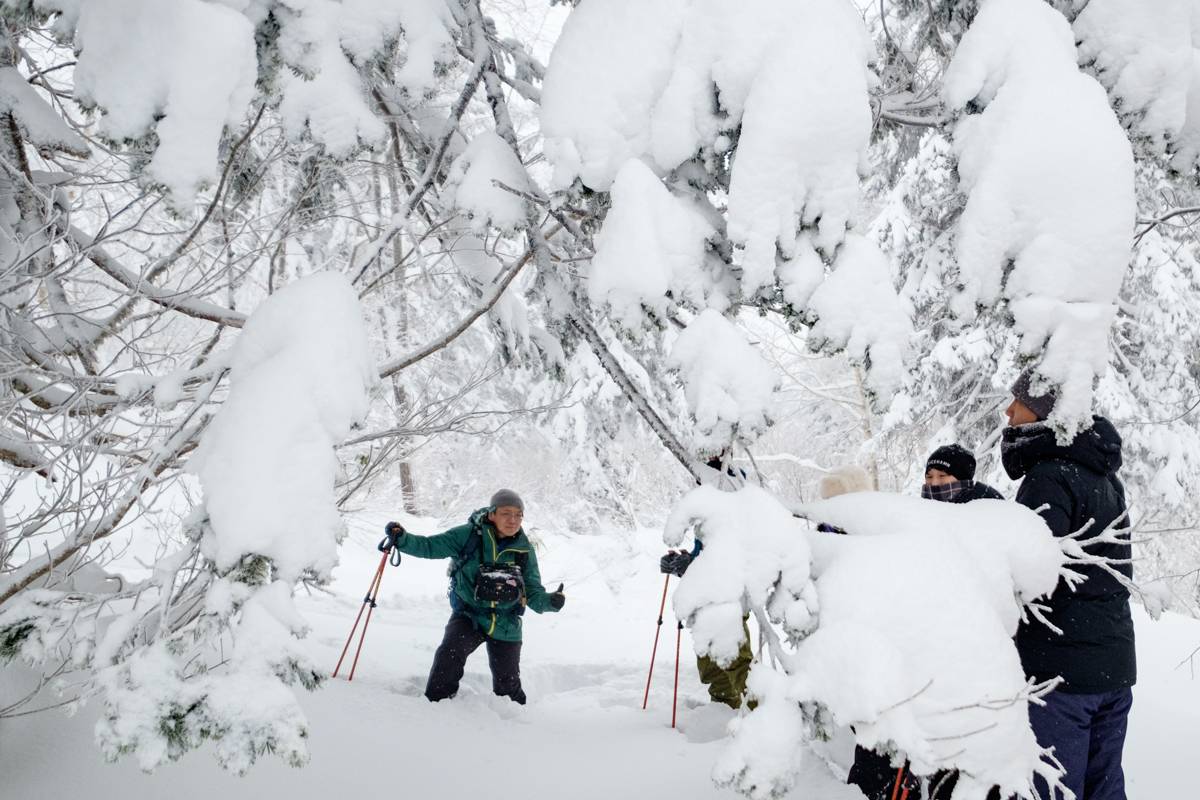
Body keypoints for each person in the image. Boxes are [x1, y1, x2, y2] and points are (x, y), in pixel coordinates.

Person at [1001, 369, 1135, 800]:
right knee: (1104, 788)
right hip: (1111, 667)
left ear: (1040, 414)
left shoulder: (1048, 476)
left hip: (1063, 677)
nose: (1008, 410)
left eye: (1017, 404)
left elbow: (1030, 576)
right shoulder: (1103, 475)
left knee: (1054, 790)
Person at [846, 445, 1003, 800]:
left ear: (963, 480)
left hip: (966, 672)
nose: (933, 485)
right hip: (922, 659)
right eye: (928, 477)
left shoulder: (984, 521)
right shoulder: (917, 521)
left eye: (943, 477)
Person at [387, 489, 565, 705]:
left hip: (506, 623)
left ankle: (516, 722)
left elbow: (533, 591)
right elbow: (430, 546)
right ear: (492, 514)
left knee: (508, 688)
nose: (513, 520)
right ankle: (434, 707)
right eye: (506, 513)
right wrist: (402, 539)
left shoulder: (524, 549)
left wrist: (550, 602)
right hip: (469, 616)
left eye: (518, 515)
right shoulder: (468, 536)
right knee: (449, 656)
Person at [659, 456, 755, 709]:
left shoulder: (734, 503)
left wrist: (691, 565)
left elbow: (728, 557)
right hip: (707, 595)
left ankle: (757, 717)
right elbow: (704, 554)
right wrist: (684, 563)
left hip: (729, 596)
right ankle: (722, 710)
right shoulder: (710, 510)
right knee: (712, 663)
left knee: (735, 660)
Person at [921, 443, 1004, 503]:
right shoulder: (921, 510)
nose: (934, 483)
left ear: (962, 478)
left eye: (942, 476)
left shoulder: (985, 504)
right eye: (929, 477)